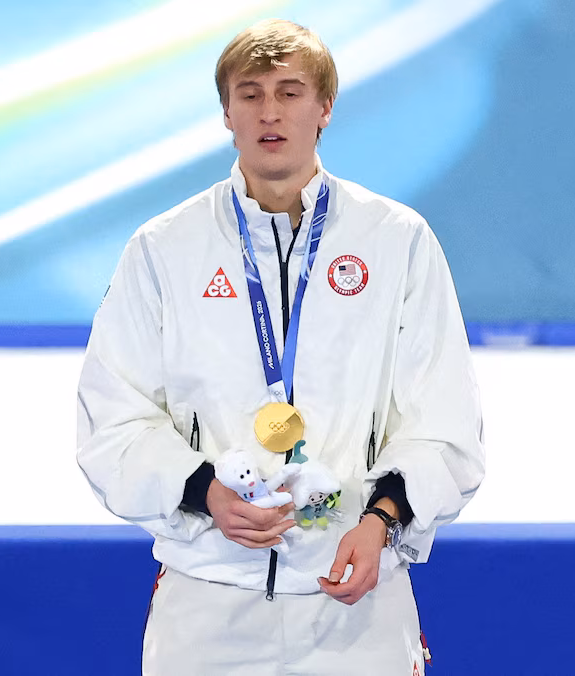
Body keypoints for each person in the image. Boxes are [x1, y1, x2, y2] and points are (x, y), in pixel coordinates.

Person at [76, 18, 484, 675]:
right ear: (226, 113)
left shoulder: (396, 241)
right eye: (251, 94)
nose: (270, 112)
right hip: (207, 603)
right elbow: (112, 416)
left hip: (355, 602)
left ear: (325, 108)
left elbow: (445, 419)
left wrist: (381, 521)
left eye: (290, 93)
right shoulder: (163, 248)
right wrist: (203, 491)